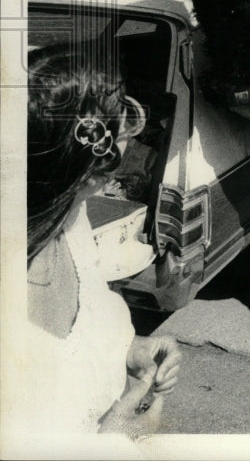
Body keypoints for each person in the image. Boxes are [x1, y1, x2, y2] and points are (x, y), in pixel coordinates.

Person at [24, 45, 181, 438]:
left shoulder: (71, 221)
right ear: (93, 173)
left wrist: (129, 348)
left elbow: (90, 319)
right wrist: (117, 438)